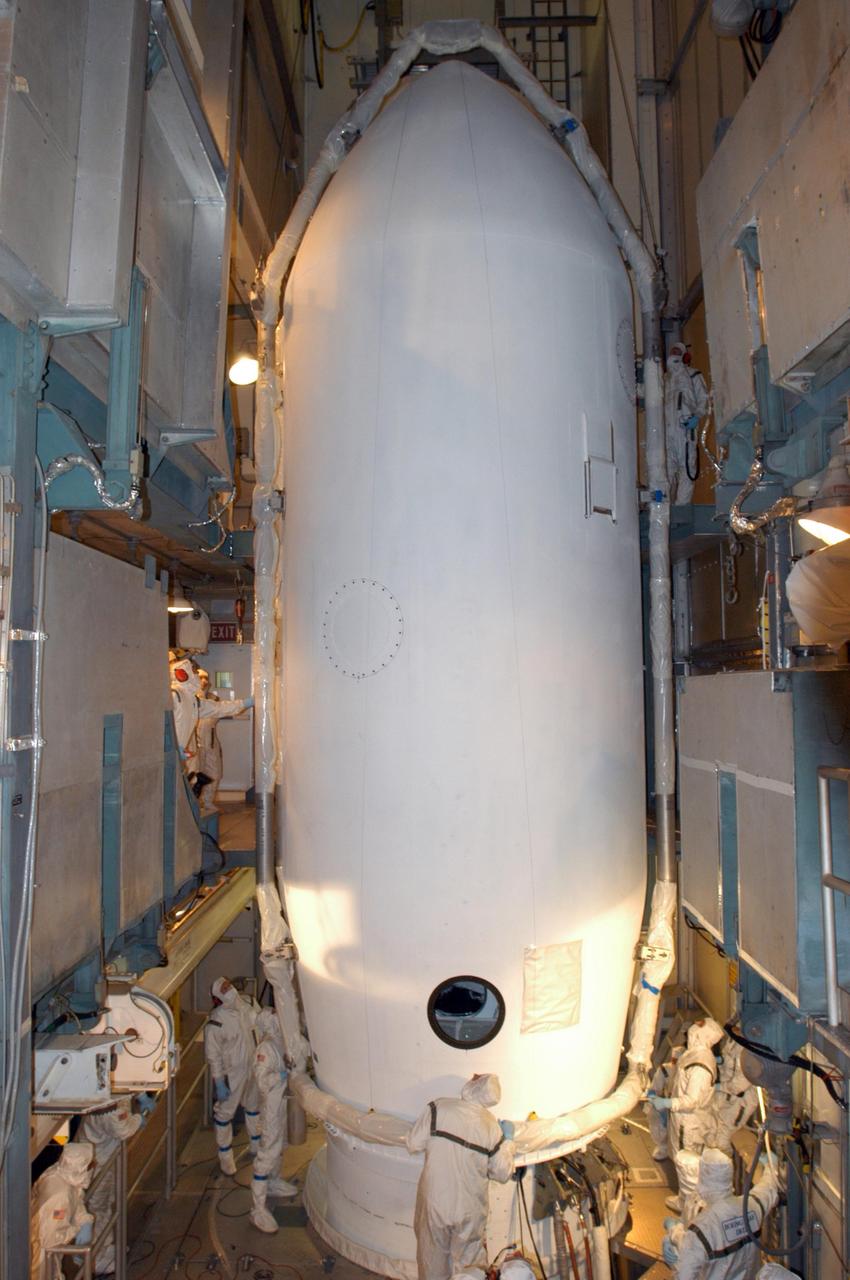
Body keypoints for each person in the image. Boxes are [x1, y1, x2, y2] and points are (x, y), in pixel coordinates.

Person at [406, 1073, 516, 1280]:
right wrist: (508, 1141)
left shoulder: (438, 1108)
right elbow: (502, 1173)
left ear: (471, 1086)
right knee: (471, 1269)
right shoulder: (491, 1127)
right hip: (470, 1210)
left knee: (432, 1263)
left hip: (436, 1204)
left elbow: (412, 1144)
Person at [647, 1017, 724, 1213]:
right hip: (683, 1118)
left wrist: (667, 1103)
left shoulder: (700, 1065)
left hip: (689, 1122)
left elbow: (691, 1101)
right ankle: (689, 1200)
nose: (690, 1032)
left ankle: (688, 1205)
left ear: (700, 1036)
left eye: (694, 1031)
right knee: (683, 1159)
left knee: (686, 1162)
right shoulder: (694, 1055)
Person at [669, 1147, 780, 1280]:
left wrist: (674, 1233)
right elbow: (768, 1188)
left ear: (703, 1179)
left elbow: (683, 1276)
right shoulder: (752, 1206)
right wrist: (771, 1164)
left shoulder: (701, 1229)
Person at [170, 657, 252, 813]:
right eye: (194, 673)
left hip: (186, 750)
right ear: (183, 673)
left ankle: (194, 810)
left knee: (192, 781)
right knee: (180, 785)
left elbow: (218, 708)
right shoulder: (174, 695)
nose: (198, 678)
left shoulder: (193, 701)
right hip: (176, 750)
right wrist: (173, 745)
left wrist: (245, 703)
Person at [204, 976, 262, 1175]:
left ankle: (256, 1144)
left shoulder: (249, 1005)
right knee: (225, 1113)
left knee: (254, 1105)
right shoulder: (216, 1021)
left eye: (229, 984)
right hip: (233, 1072)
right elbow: (213, 1056)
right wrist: (219, 1081)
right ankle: (225, 1156)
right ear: (218, 996)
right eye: (224, 987)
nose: (230, 988)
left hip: (254, 1067)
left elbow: (262, 1027)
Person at [78, 1099, 143, 1274]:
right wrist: (139, 1118)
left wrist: (141, 1094)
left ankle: (105, 1249)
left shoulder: (105, 1101)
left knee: (104, 1208)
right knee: (97, 1210)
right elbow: (122, 1129)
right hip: (98, 1166)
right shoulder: (104, 1109)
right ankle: (96, 1260)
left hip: (104, 1158)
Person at [249, 1007, 299, 1233]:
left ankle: (273, 1181)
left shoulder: (279, 1041)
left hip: (281, 1102)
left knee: (281, 1145)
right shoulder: (265, 1048)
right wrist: (280, 1075)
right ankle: (257, 1207)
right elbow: (262, 1081)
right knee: (268, 1150)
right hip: (270, 1107)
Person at [30, 1142, 95, 1280]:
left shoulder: (60, 1173)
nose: (92, 1167)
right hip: (41, 1256)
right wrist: (76, 1229)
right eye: (89, 1165)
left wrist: (84, 1219)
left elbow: (75, 1198)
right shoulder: (59, 1198)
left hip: (42, 1248)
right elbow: (50, 1239)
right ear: (79, 1168)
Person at [664, 341, 709, 504]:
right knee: (666, 472)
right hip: (667, 432)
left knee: (687, 469)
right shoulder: (664, 380)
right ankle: (664, 508)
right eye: (672, 350)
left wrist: (697, 416)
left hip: (684, 430)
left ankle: (682, 506)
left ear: (684, 355)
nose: (674, 353)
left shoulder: (693, 375)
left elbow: (704, 399)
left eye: (678, 351)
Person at [707, 1040, 758, 1156]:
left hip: (740, 1101)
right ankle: (713, 1168)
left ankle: (722, 1170)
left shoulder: (752, 1051)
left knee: (722, 1139)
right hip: (725, 1095)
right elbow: (730, 1062)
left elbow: (739, 1085)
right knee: (712, 1131)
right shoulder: (733, 1041)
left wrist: (719, 1087)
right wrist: (722, 1061)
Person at [645, 1046, 683, 1160]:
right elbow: (653, 1091)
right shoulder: (664, 1070)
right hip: (666, 1103)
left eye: (677, 1061)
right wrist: (656, 1102)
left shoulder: (688, 1073)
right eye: (673, 1060)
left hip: (682, 1107)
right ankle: (663, 1146)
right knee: (654, 1116)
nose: (674, 1063)